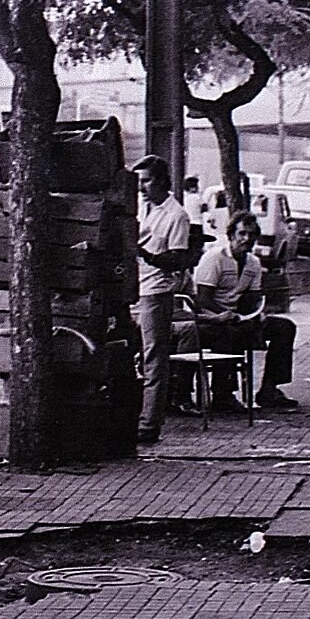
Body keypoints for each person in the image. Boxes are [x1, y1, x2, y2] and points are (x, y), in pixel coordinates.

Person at [188, 212, 300, 411]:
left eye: (250, 235)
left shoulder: (253, 263)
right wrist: (226, 315)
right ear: (231, 235)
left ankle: (270, 388)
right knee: (231, 332)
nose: (246, 239)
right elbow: (203, 299)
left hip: (237, 316)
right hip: (211, 319)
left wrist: (257, 314)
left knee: (284, 327)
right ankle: (223, 393)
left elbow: (253, 297)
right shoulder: (214, 258)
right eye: (241, 234)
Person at [133, 154, 194, 444]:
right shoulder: (141, 208)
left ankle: (149, 423)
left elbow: (178, 259)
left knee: (154, 356)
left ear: (161, 181)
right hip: (131, 287)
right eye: (140, 182)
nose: (142, 187)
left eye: (146, 181)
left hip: (155, 291)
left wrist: (145, 254)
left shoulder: (176, 216)